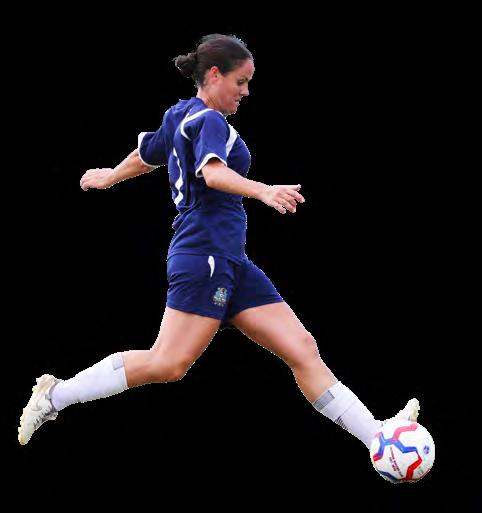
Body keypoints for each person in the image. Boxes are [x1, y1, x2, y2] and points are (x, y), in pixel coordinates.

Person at [18, 33, 419, 447]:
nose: (245, 92)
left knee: (302, 349)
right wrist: (263, 190)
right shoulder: (209, 121)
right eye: (240, 82)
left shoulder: (180, 115)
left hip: (230, 261)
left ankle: (378, 436)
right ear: (214, 75)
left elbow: (147, 154)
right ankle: (55, 395)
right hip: (204, 255)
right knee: (168, 363)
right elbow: (212, 173)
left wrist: (111, 175)